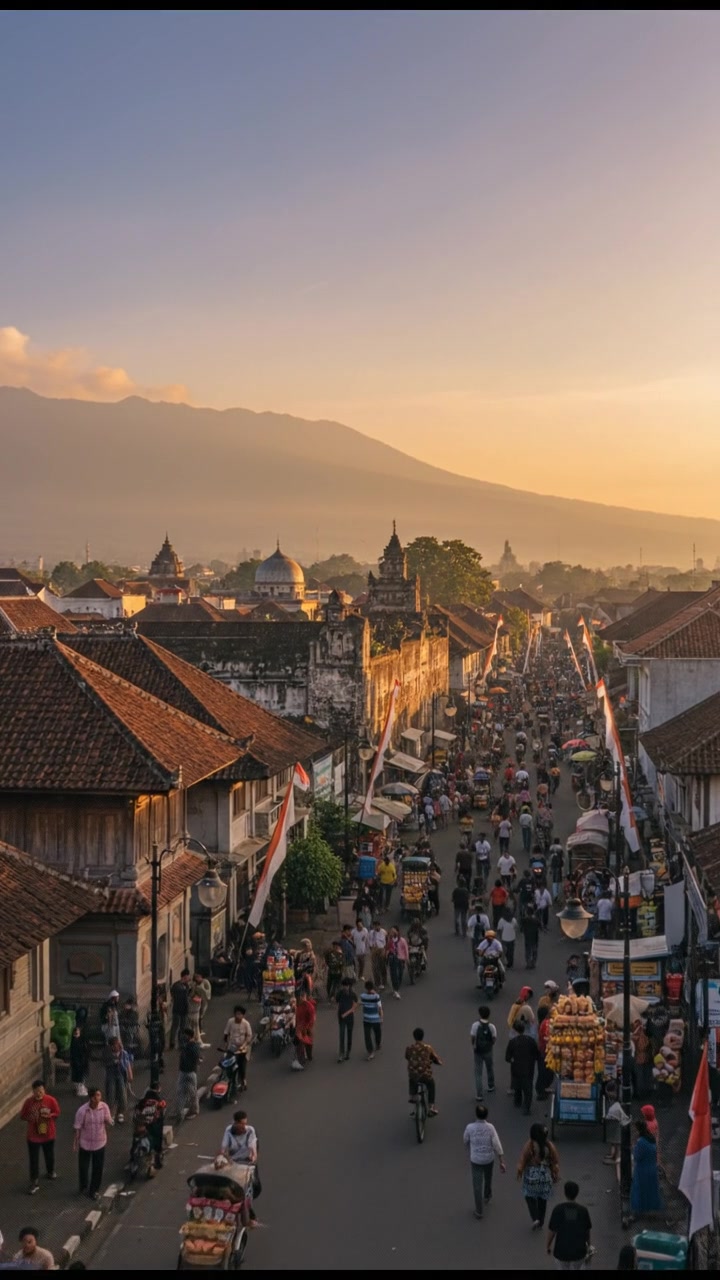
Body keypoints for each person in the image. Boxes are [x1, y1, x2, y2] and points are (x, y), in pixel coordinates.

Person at [463, 1103, 506, 1219]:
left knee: (477, 1185)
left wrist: (470, 1148)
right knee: (488, 1178)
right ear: (486, 1116)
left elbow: (465, 1140)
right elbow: (497, 1144)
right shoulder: (490, 1127)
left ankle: (479, 1211)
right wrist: (501, 1160)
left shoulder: (470, 1127)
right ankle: (487, 1196)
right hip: (488, 1159)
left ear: (476, 1115)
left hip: (476, 1160)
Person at [20, 1081, 60, 1195]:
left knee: (49, 1154)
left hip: (48, 1133)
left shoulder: (51, 1100)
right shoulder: (29, 1102)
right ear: (33, 1091)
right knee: (34, 1159)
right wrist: (31, 1117)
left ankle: (50, 1171)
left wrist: (50, 1116)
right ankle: (34, 1181)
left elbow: (57, 1112)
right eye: (36, 1091)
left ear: (44, 1090)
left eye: (41, 1090)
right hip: (33, 1135)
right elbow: (23, 1115)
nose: (39, 1093)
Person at [517, 1122, 560, 1229]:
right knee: (542, 1199)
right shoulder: (549, 1145)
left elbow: (523, 1158)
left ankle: (535, 1217)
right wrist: (555, 1174)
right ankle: (541, 1221)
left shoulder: (530, 1144)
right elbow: (555, 1161)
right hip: (544, 1176)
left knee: (529, 1195)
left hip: (532, 1175)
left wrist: (520, 1171)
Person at [73, 1087, 113, 1201]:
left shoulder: (104, 1107)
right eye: (96, 1096)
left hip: (100, 1142)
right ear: (91, 1098)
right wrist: (75, 1143)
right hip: (85, 1143)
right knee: (83, 1167)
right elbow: (77, 1128)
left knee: (98, 1168)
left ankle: (94, 1190)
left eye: (99, 1095)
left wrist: (109, 1121)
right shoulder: (82, 1111)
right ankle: (83, 1186)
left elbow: (108, 1120)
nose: (98, 1098)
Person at [547, 1180, 592, 1270]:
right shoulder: (583, 1211)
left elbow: (552, 1231)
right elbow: (587, 1231)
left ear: (565, 1193)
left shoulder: (558, 1210)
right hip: (579, 1251)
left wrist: (548, 1245)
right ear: (577, 1193)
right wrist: (588, 1245)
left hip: (561, 1251)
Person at [405, 1027, 442, 1116]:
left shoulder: (409, 1048)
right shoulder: (428, 1048)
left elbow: (407, 1057)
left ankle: (412, 1096)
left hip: (413, 1075)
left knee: (412, 1077)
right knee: (431, 1083)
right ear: (423, 1036)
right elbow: (436, 1058)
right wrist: (438, 1062)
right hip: (425, 1075)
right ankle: (431, 1106)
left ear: (414, 1037)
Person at [630, 1120, 662, 1218]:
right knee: (651, 1189)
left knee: (639, 1190)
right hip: (652, 1167)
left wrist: (633, 1148)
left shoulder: (641, 1142)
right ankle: (652, 1210)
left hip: (642, 1169)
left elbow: (637, 1156)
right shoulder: (651, 1139)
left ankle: (638, 1211)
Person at [506, 1022, 540, 1114]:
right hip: (529, 1068)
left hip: (516, 1068)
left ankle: (518, 1101)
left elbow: (507, 1058)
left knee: (517, 1085)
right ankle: (527, 1107)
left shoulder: (512, 1042)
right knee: (528, 1088)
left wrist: (512, 1060)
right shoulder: (530, 1040)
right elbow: (537, 1054)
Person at [132, 1087, 166, 1173]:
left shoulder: (141, 1103)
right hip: (152, 1127)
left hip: (140, 1126)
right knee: (156, 1139)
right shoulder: (157, 1103)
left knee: (135, 1142)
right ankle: (157, 1160)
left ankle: (133, 1160)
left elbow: (135, 1115)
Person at [103, 1037, 132, 1123]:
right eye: (116, 1044)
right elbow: (105, 1063)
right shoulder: (107, 1053)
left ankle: (120, 1112)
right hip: (111, 1074)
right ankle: (111, 1113)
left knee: (122, 1093)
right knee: (111, 1093)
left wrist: (130, 1074)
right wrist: (114, 1061)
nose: (119, 1045)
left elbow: (127, 1063)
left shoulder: (123, 1053)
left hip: (120, 1074)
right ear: (112, 1046)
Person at [471, 1006, 497, 1101]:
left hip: (478, 1051)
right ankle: (491, 1085)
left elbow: (473, 1037)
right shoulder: (491, 1026)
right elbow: (494, 1038)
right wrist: (490, 1045)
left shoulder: (475, 1025)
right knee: (489, 1068)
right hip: (488, 1051)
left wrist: (474, 1045)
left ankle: (479, 1094)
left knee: (478, 1072)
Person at [176, 1027, 202, 1119]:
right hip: (183, 1071)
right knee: (180, 1092)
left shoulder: (193, 1046)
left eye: (185, 1035)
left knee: (192, 1093)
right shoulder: (186, 1045)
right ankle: (180, 1112)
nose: (183, 1036)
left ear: (189, 1036)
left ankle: (194, 1110)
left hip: (190, 1072)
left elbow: (196, 1058)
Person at [291, 990, 316, 1071]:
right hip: (300, 1027)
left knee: (307, 1043)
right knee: (300, 1044)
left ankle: (307, 1057)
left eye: (300, 997)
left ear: (303, 997)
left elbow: (312, 1019)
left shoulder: (309, 1006)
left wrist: (307, 1028)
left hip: (306, 1028)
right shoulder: (299, 1006)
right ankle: (302, 1060)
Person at [336, 977, 358, 1062]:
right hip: (341, 1017)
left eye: (346, 986)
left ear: (349, 986)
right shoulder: (340, 993)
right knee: (341, 1035)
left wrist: (349, 1011)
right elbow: (337, 1001)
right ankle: (341, 1054)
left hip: (349, 1018)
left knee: (349, 1035)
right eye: (344, 986)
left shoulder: (353, 994)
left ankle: (348, 1052)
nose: (345, 987)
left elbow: (356, 1004)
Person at [361, 979, 383, 1060]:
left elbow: (362, 1003)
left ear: (366, 988)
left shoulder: (363, 996)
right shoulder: (376, 996)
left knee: (367, 1036)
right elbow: (380, 1008)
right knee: (377, 1033)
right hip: (375, 1019)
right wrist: (381, 1018)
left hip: (366, 1019)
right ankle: (377, 1044)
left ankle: (370, 1052)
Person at [169, 969, 192, 1048]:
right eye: (188, 976)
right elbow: (177, 994)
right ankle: (172, 1042)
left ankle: (181, 1042)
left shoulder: (186, 985)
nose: (188, 978)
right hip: (177, 1009)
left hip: (184, 1009)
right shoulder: (177, 986)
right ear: (184, 976)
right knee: (175, 1026)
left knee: (182, 1027)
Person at [386, 926, 409, 998]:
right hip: (393, 959)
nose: (392, 933)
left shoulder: (402, 940)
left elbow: (406, 949)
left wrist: (407, 959)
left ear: (397, 932)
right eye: (391, 932)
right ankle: (396, 990)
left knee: (400, 973)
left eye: (394, 931)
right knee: (393, 974)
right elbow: (387, 948)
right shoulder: (390, 941)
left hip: (400, 959)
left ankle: (396, 987)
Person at [70, 1024, 91, 1098]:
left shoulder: (78, 1041)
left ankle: (80, 1086)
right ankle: (79, 1088)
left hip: (81, 1060)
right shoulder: (76, 1041)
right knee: (79, 1075)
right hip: (78, 1061)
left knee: (80, 1074)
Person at [368, 921, 388, 989]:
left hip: (381, 950)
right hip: (374, 950)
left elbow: (386, 942)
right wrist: (372, 951)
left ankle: (384, 981)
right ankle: (377, 983)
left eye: (377, 925)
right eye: (375, 926)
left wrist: (385, 951)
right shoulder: (371, 933)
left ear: (380, 926)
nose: (376, 927)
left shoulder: (383, 932)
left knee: (382, 966)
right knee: (375, 968)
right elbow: (370, 942)